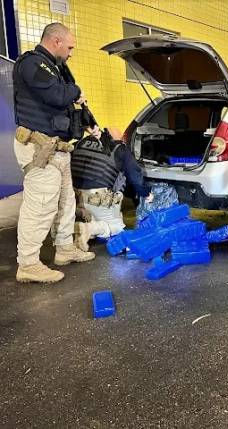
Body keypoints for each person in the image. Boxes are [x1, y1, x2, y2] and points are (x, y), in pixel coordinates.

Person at [13, 23, 95, 284]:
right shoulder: (32, 63)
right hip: (39, 148)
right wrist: (77, 90)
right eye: (69, 47)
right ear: (56, 41)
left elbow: (65, 106)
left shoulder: (56, 69)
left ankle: (64, 249)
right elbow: (58, 96)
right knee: (41, 206)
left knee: (65, 203)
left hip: (58, 148)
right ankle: (27, 263)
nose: (71, 53)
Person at [71, 127, 154, 251]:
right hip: (97, 199)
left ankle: (86, 223)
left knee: (99, 216)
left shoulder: (79, 143)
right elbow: (135, 176)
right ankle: (89, 228)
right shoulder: (119, 149)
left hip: (74, 198)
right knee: (115, 228)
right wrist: (147, 194)